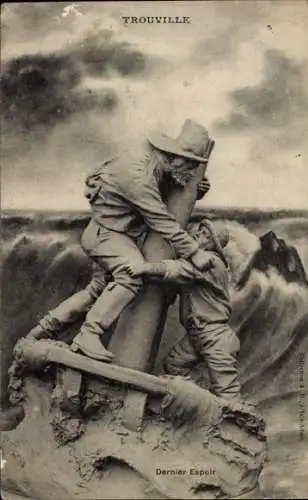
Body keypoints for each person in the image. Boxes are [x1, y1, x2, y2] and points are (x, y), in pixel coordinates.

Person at [27, 120, 214, 363]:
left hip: (114, 235)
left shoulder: (153, 165)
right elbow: (160, 219)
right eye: (189, 164)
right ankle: (88, 335)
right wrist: (194, 252)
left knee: (96, 291)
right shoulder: (138, 175)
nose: (189, 170)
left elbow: (166, 186)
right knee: (130, 276)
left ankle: (41, 331)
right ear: (174, 157)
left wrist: (195, 190)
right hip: (107, 237)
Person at [126, 218, 241, 400]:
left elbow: (179, 269)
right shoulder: (197, 264)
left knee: (228, 392)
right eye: (199, 230)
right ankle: (204, 405)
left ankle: (240, 425)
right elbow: (178, 280)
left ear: (213, 244)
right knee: (174, 366)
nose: (197, 233)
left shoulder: (210, 262)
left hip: (215, 335)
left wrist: (146, 267)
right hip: (197, 334)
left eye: (205, 234)